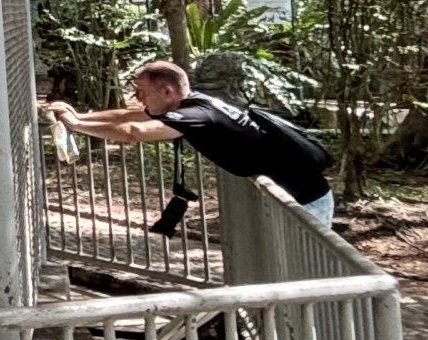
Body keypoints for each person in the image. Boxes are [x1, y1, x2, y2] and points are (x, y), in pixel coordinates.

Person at [47, 60, 335, 230]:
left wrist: (78, 126)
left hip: (305, 200)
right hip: (290, 196)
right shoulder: (196, 101)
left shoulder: (197, 115)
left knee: (309, 279)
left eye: (142, 92)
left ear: (167, 91)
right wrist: (79, 115)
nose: (138, 99)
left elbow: (134, 131)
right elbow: (130, 115)